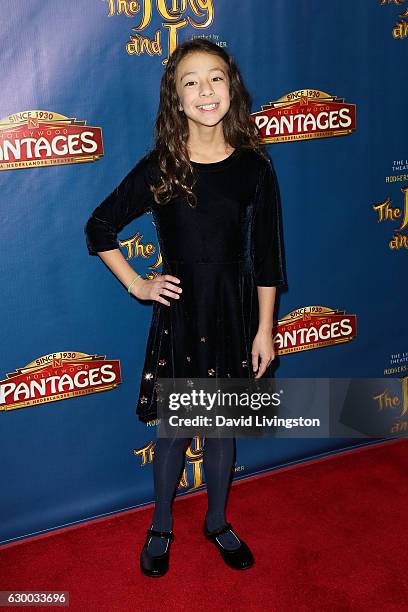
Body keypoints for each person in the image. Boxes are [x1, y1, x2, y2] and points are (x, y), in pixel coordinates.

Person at [84, 38, 287, 577]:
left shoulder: (254, 168)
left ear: (232, 88)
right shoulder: (162, 166)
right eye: (190, 81)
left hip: (235, 314)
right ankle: (161, 524)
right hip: (180, 318)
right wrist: (138, 284)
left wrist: (265, 330)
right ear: (176, 98)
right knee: (173, 430)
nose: (205, 91)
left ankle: (217, 522)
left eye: (215, 78)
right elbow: (99, 226)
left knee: (222, 429)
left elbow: (268, 259)